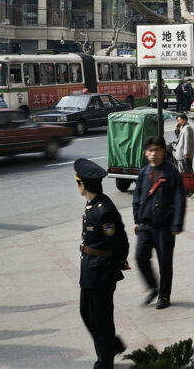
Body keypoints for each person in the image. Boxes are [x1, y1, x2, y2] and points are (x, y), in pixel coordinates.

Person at [74, 158, 129, 369]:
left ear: (83, 185)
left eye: (77, 182)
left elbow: (118, 239)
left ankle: (104, 362)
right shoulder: (92, 205)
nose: (77, 186)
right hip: (90, 270)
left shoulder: (103, 209)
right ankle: (111, 345)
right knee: (86, 313)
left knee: (101, 319)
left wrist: (119, 261)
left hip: (101, 272)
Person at [132, 137, 186, 309]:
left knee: (165, 262)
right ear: (146, 153)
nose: (153, 154)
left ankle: (164, 296)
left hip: (165, 226)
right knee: (140, 257)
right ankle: (152, 287)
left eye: (156, 150)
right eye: (150, 150)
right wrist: (137, 220)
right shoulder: (143, 172)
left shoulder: (171, 173)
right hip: (145, 225)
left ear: (163, 151)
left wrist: (176, 224)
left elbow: (179, 199)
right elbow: (137, 197)